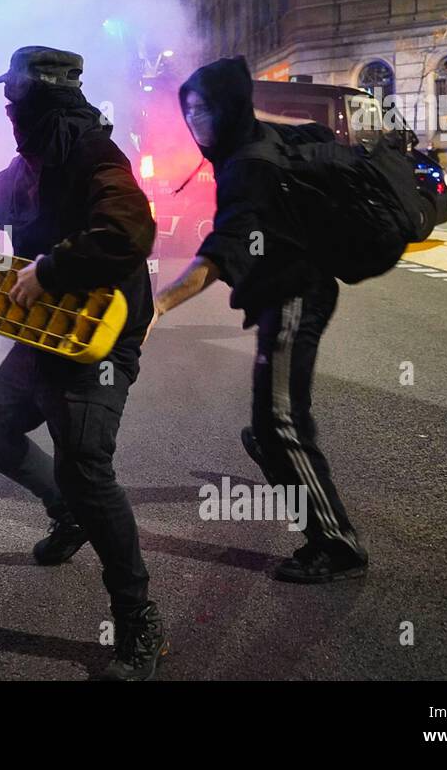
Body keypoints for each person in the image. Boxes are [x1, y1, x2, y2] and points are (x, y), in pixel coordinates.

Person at [0, 45, 167, 679]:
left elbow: (129, 232)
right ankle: (64, 513)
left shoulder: (97, 157)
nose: (8, 111)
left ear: (38, 102)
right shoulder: (31, 161)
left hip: (101, 337)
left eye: (14, 100)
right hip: (48, 333)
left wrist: (50, 269)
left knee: (86, 468)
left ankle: (138, 618)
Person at [147, 56, 367, 583]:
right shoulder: (252, 142)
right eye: (189, 111)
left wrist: (157, 305)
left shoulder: (249, 162)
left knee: (280, 420)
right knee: (277, 418)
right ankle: (282, 456)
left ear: (226, 109)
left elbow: (222, 254)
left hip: (295, 296)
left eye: (202, 110)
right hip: (288, 293)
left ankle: (337, 545)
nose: (194, 121)